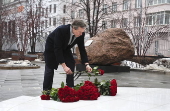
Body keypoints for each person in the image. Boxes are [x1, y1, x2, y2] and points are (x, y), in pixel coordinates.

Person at [43, 19, 92, 91]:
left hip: (65, 48)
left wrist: (86, 64)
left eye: (82, 32)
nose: (81, 34)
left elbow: (82, 49)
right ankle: (46, 90)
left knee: (71, 63)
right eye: (80, 32)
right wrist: (64, 66)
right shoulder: (61, 30)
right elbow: (57, 48)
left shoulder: (81, 34)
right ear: (74, 28)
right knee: (50, 68)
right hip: (52, 48)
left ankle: (70, 87)